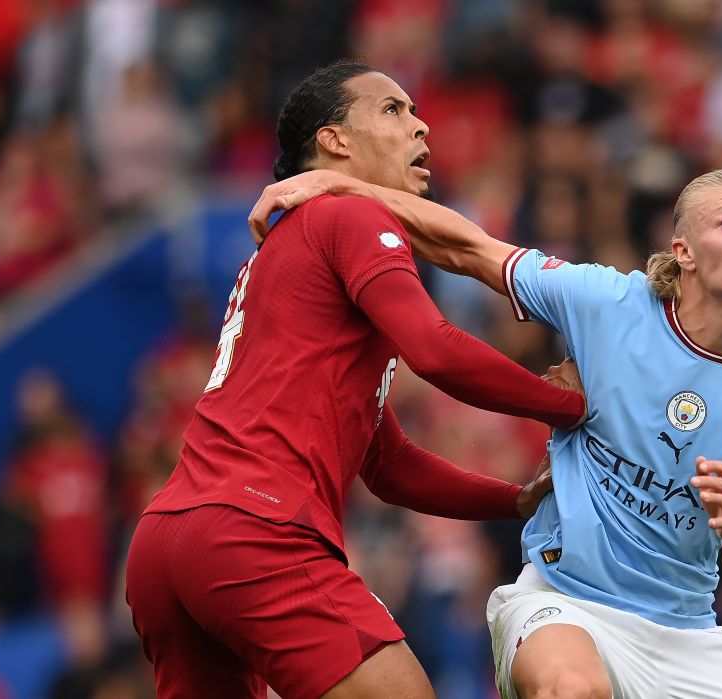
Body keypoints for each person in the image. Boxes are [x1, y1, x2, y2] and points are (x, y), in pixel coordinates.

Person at [250, 167, 722, 698]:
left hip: (686, 633)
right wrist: (342, 187)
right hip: (563, 602)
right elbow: (466, 247)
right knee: (570, 689)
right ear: (684, 251)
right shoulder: (608, 303)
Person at [125, 60, 589, 699]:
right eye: (393, 110)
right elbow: (435, 350)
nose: (421, 124)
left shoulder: (282, 249)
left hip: (167, 541)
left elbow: (386, 461)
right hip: (255, 529)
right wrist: (568, 405)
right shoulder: (348, 219)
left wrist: (511, 499)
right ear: (334, 141)